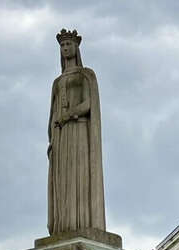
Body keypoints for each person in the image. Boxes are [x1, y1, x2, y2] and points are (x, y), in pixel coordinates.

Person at [47, 29, 106, 236]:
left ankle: (82, 221)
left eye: (68, 44)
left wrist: (69, 114)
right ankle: (64, 225)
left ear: (76, 46)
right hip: (61, 137)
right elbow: (52, 113)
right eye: (62, 46)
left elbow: (89, 103)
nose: (65, 49)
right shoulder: (56, 82)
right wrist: (52, 139)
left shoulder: (85, 75)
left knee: (79, 175)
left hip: (80, 132)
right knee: (63, 182)